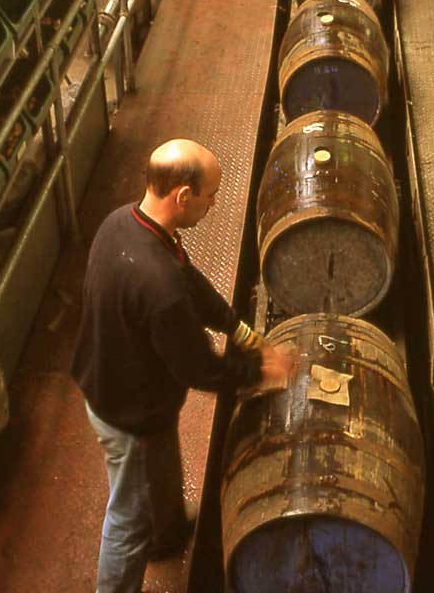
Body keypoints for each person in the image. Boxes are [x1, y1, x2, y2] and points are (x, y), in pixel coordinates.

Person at [72, 138, 292, 593]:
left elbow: (188, 276)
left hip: (117, 378)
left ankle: (169, 530)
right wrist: (261, 371)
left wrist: (237, 328)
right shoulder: (160, 289)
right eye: (211, 195)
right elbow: (201, 371)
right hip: (126, 413)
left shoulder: (124, 223)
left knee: (161, 458)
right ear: (183, 196)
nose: (214, 203)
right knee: (128, 518)